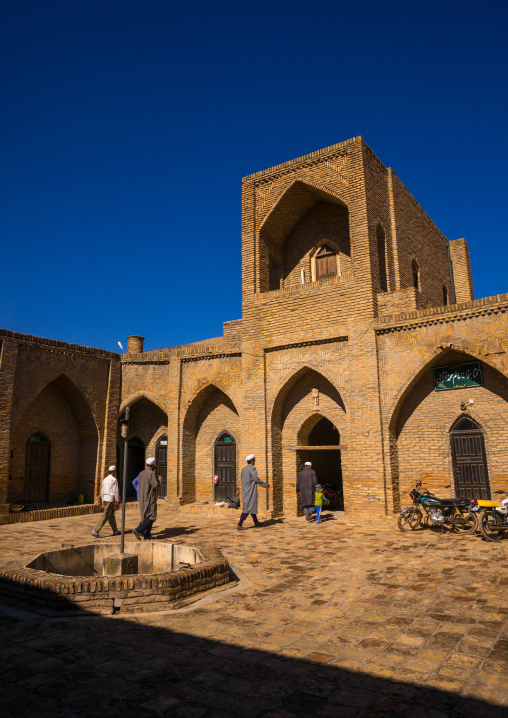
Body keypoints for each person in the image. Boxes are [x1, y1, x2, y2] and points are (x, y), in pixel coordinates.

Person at [237, 454, 269, 529]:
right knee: (247, 507)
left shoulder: (243, 469)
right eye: (254, 460)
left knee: (251, 506)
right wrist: (265, 485)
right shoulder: (252, 469)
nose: (255, 461)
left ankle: (256, 522)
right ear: (252, 461)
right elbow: (256, 479)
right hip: (250, 490)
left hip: (245, 490)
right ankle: (239, 524)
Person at [133, 457, 160, 540]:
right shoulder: (151, 474)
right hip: (149, 498)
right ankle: (138, 530)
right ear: (153, 465)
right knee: (152, 516)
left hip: (142, 497)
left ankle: (147, 534)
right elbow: (155, 485)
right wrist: (159, 480)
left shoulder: (141, 473)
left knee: (145, 516)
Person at [92, 466, 121, 538]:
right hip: (110, 499)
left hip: (105, 498)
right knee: (105, 516)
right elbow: (115, 490)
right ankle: (96, 531)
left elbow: (102, 490)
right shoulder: (114, 479)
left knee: (111, 515)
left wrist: (102, 500)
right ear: (114, 471)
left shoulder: (104, 479)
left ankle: (115, 530)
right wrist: (117, 499)